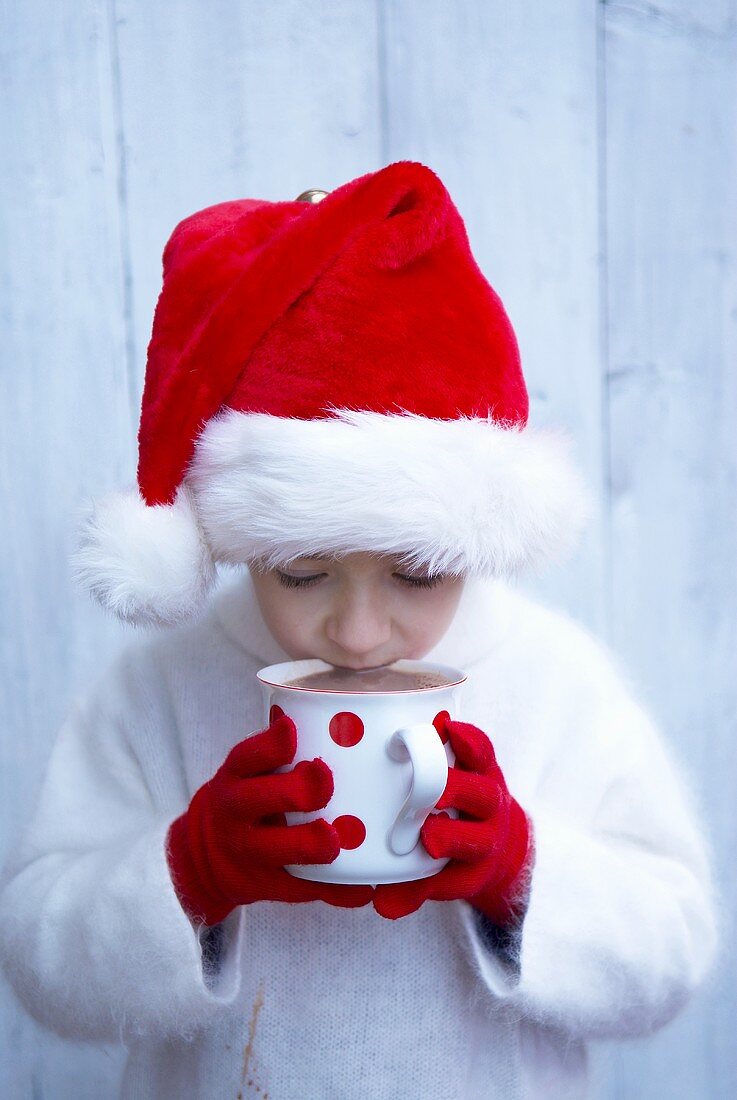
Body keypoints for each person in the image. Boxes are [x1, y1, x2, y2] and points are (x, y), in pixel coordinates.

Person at [0, 161, 718, 1099]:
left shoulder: (555, 681)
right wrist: (189, 872)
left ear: (478, 542)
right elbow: (43, 965)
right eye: (300, 571)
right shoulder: (160, 689)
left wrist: (518, 867)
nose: (359, 629)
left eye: (416, 574)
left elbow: (671, 949)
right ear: (235, 542)